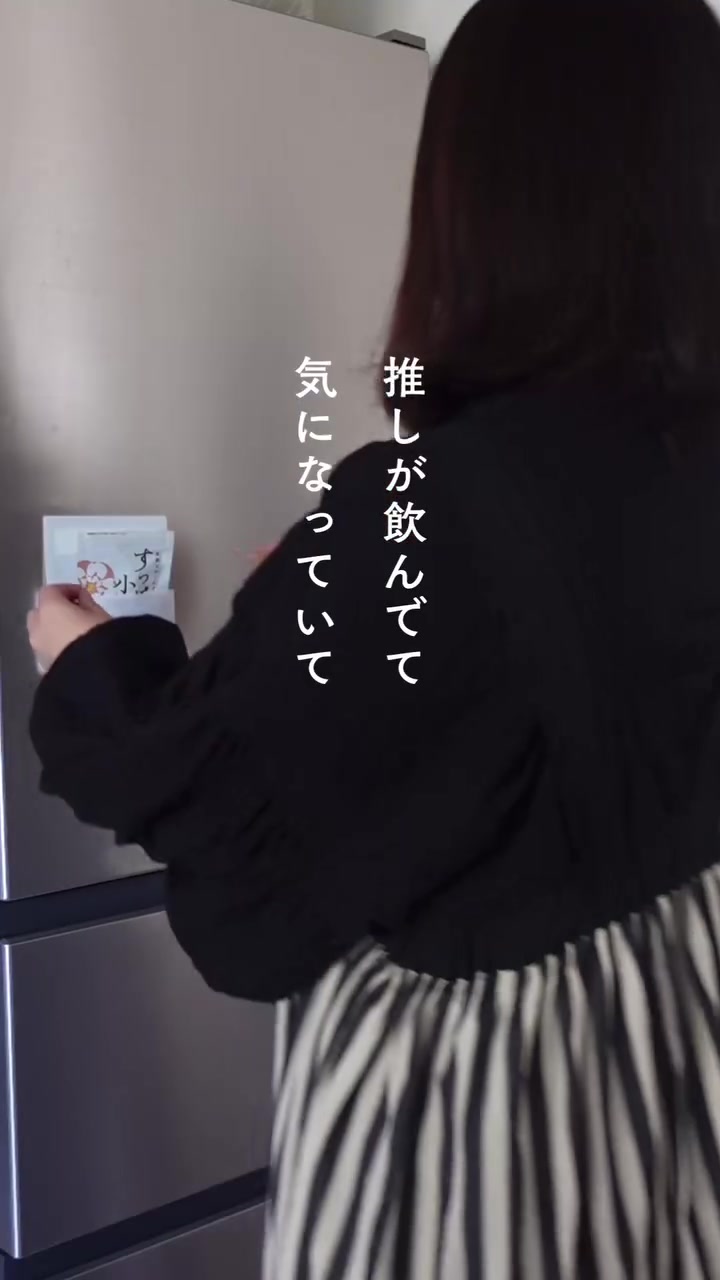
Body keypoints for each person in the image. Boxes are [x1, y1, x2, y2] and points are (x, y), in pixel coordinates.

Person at [26, 0, 720, 1274]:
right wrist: (330, 623)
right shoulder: (677, 467)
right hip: (673, 1089)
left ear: (485, 189)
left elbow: (239, 882)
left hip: (494, 1165)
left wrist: (86, 660)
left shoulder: (446, 502)